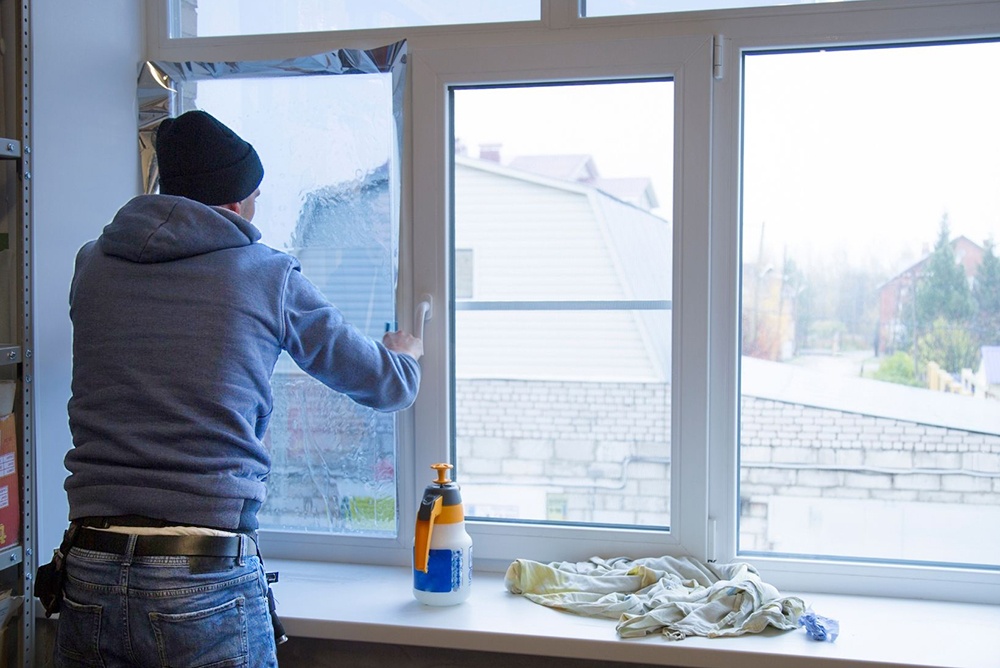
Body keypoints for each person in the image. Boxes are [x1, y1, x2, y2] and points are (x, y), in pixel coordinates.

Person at [52, 110, 422, 667]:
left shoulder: (92, 265)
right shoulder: (264, 274)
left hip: (88, 570)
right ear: (232, 204)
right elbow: (384, 385)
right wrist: (406, 355)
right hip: (200, 574)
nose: (257, 212)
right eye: (255, 197)